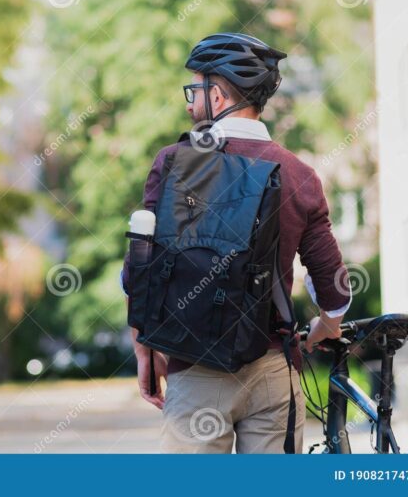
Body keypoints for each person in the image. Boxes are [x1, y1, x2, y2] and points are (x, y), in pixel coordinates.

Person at [120, 33, 351, 453]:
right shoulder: (299, 174)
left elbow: (138, 272)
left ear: (218, 95)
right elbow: (334, 290)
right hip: (273, 372)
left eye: (195, 90)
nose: (190, 103)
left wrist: (145, 351)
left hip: (194, 369)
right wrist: (323, 330)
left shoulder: (174, 162)